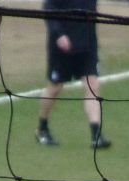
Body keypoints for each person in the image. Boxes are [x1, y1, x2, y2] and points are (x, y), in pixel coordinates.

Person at [36, 0, 111, 149]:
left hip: (88, 44)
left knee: (93, 84)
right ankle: (42, 129)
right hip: (62, 46)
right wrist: (59, 34)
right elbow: (48, 8)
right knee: (55, 87)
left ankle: (96, 135)